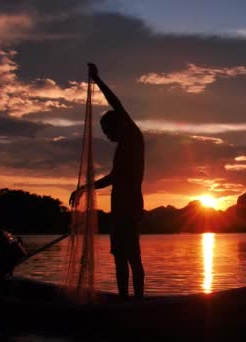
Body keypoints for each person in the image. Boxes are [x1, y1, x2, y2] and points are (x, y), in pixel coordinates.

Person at [85, 63, 145, 298]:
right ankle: (124, 301)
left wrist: (98, 80)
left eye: (109, 132)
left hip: (129, 210)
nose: (108, 137)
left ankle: (138, 302)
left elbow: (116, 104)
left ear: (119, 125)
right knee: (120, 259)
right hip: (118, 212)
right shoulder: (121, 147)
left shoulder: (133, 137)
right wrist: (85, 188)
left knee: (132, 258)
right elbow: (113, 178)